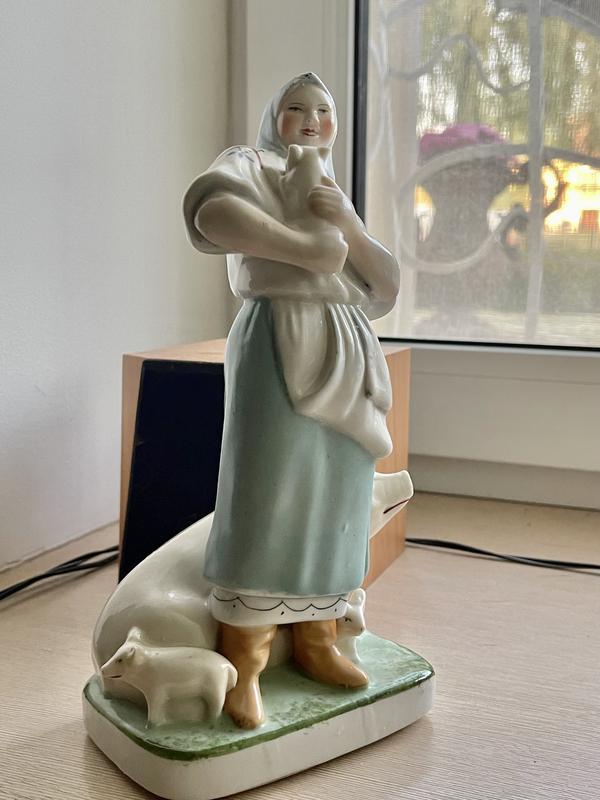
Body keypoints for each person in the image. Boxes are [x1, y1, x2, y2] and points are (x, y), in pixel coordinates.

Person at [183, 73, 400, 729]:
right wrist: (304, 248)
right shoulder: (251, 164)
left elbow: (384, 285)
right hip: (279, 334)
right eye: (296, 108)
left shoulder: (329, 189)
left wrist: (348, 226)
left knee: (336, 495)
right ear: (273, 116)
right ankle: (244, 656)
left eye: (324, 110)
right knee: (268, 487)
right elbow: (210, 214)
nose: (311, 120)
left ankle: (317, 637)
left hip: (344, 339)